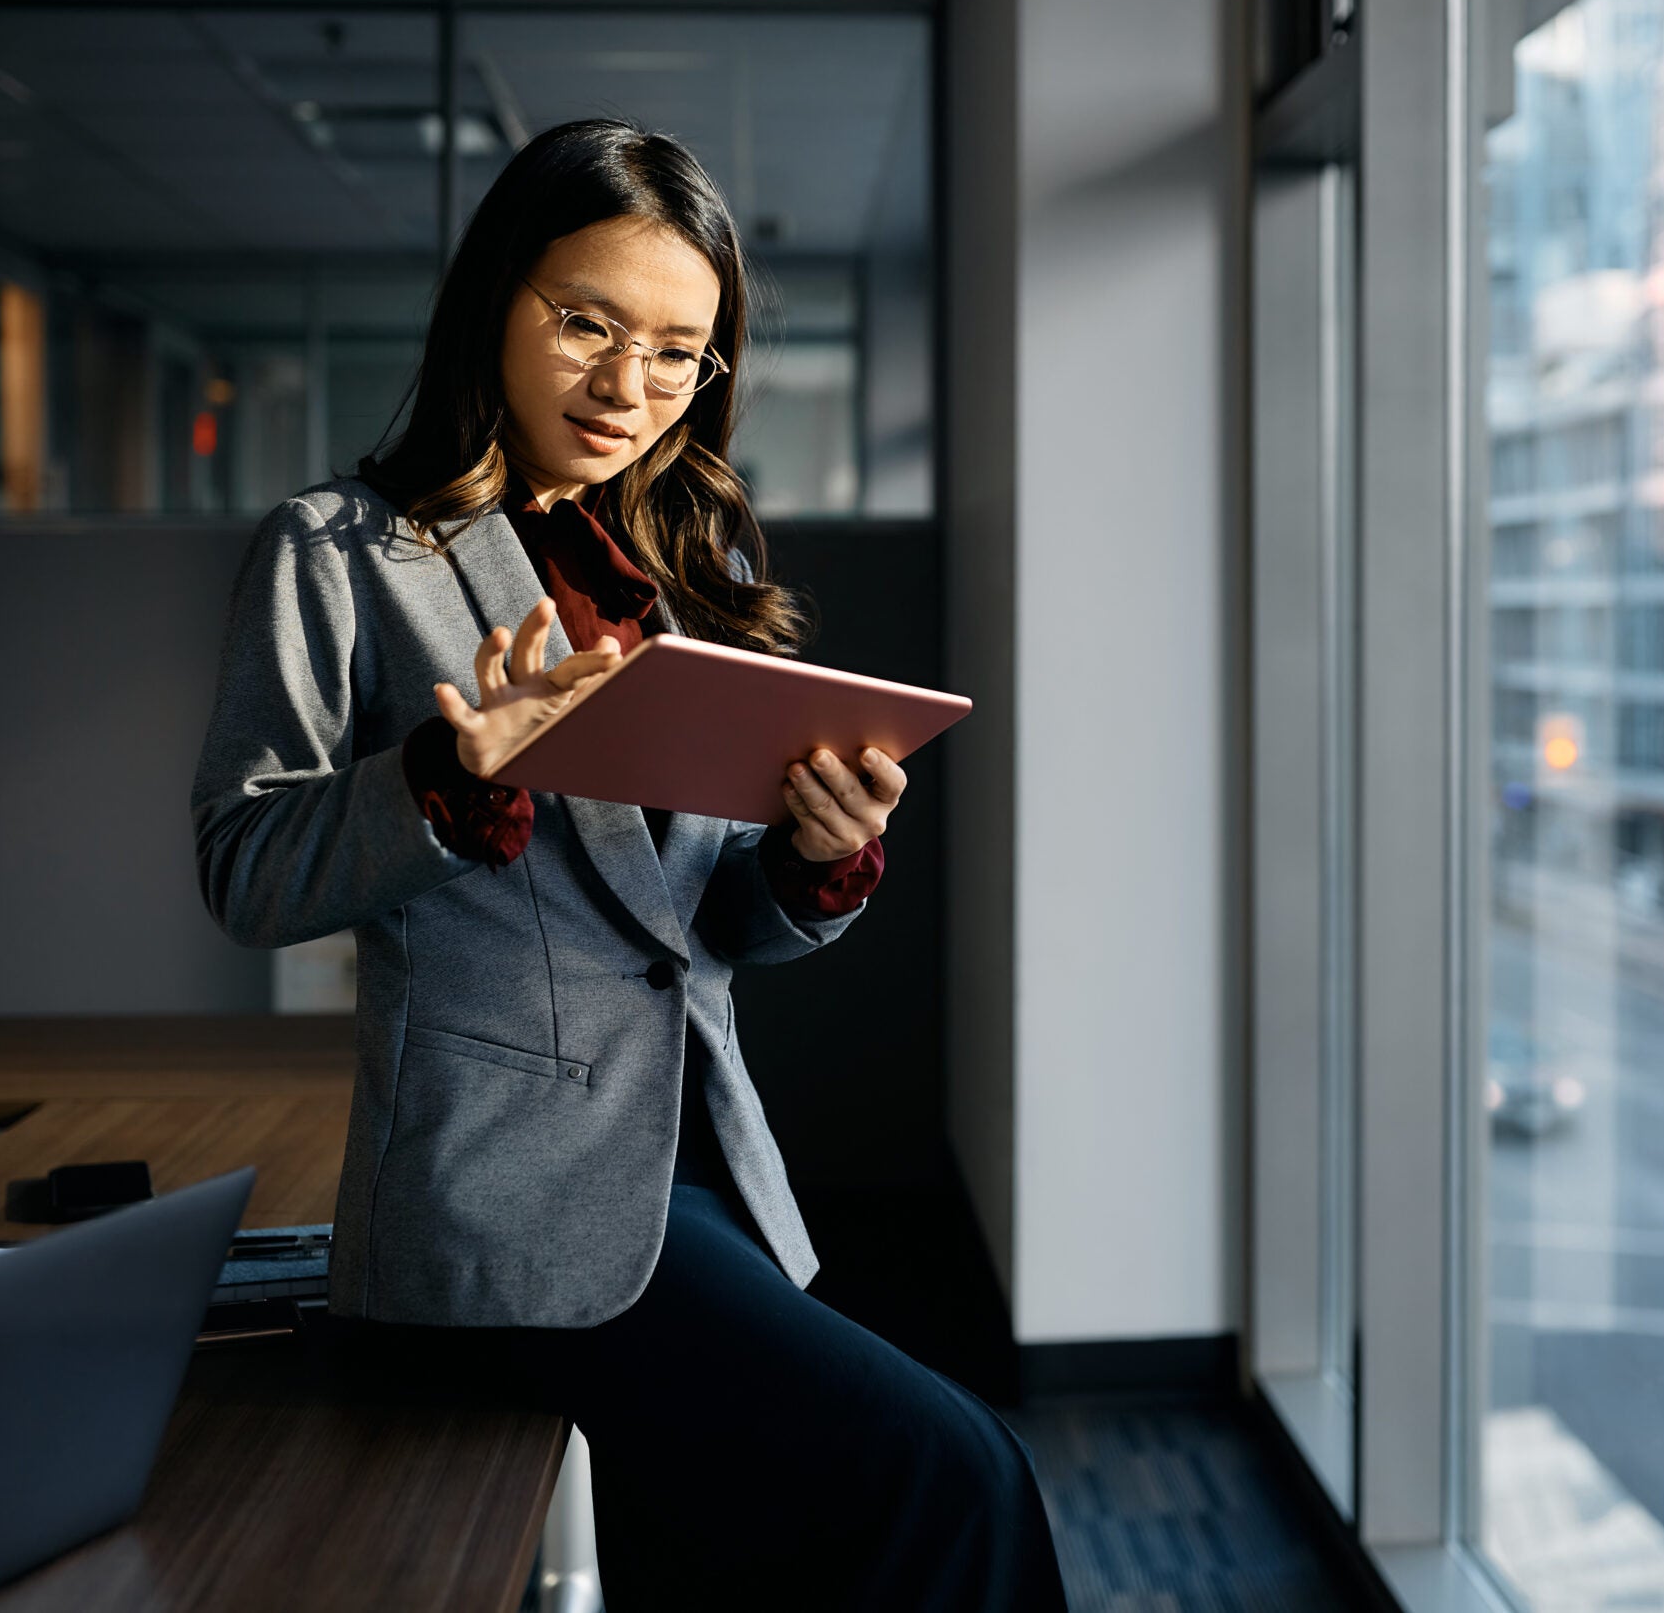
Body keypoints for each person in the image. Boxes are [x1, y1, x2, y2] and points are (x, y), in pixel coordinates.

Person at [191, 118, 1064, 1611]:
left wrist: (812, 865)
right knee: (955, 1471)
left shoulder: (669, 574)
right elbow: (247, 869)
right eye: (586, 324)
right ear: (494, 303)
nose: (630, 388)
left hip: (705, 1168)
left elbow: (698, 932)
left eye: (679, 354)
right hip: (499, 1198)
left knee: (732, 1568)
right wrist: (452, 778)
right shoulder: (342, 553)